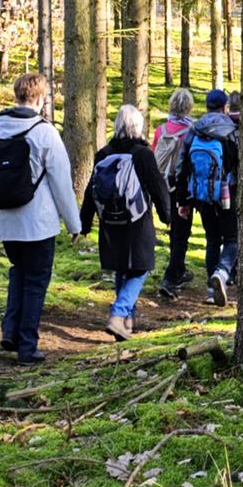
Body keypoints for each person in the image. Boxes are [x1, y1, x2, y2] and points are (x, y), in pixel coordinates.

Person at [0, 72, 80, 364]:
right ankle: (27, 345)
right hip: (37, 223)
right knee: (35, 280)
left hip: (3, 220)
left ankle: (10, 330)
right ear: (38, 98)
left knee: (18, 273)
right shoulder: (45, 133)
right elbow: (61, 182)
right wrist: (74, 223)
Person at [81, 105, 173, 341]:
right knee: (140, 269)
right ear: (138, 126)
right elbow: (157, 187)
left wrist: (85, 223)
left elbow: (91, 190)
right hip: (137, 221)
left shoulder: (104, 153)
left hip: (110, 221)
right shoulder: (142, 154)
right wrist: (167, 215)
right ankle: (118, 314)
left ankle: (127, 323)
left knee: (123, 268)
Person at [189, 88, 241, 305]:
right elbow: (237, 161)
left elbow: (184, 165)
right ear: (224, 107)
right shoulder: (230, 130)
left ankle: (212, 293)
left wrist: (185, 199)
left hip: (202, 195)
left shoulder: (196, 129)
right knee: (231, 239)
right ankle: (221, 272)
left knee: (212, 240)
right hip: (228, 192)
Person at [152, 89, 196, 298]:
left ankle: (178, 269)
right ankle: (171, 277)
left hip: (162, 185)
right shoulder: (191, 131)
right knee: (181, 232)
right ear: (188, 107)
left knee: (175, 230)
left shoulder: (161, 130)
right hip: (182, 186)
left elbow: (153, 157)